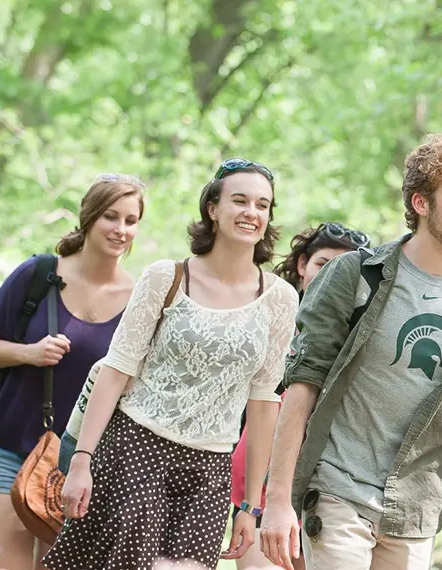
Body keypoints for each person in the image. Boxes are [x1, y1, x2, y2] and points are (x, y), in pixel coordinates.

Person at [260, 130, 442, 570]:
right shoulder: (355, 275)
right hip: (338, 489)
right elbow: (302, 386)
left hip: (414, 511)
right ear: (421, 202)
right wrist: (277, 502)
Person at [44, 159, 299, 570]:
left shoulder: (281, 299)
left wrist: (250, 506)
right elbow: (116, 369)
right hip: (135, 451)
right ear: (213, 209)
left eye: (262, 205)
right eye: (239, 200)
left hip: (209, 472)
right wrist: (81, 460)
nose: (251, 212)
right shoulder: (166, 277)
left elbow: (264, 401)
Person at [0, 174, 144, 570]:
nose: (121, 229)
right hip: (7, 450)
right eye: (111, 217)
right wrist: (29, 353)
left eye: (131, 221)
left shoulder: (140, 300)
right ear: (89, 217)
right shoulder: (38, 275)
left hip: (80, 469)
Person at [229, 222, 371, 570]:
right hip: (261, 479)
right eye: (324, 264)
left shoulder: (364, 338)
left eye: (345, 267)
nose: (332, 275)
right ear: (302, 264)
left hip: (330, 489)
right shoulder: (269, 315)